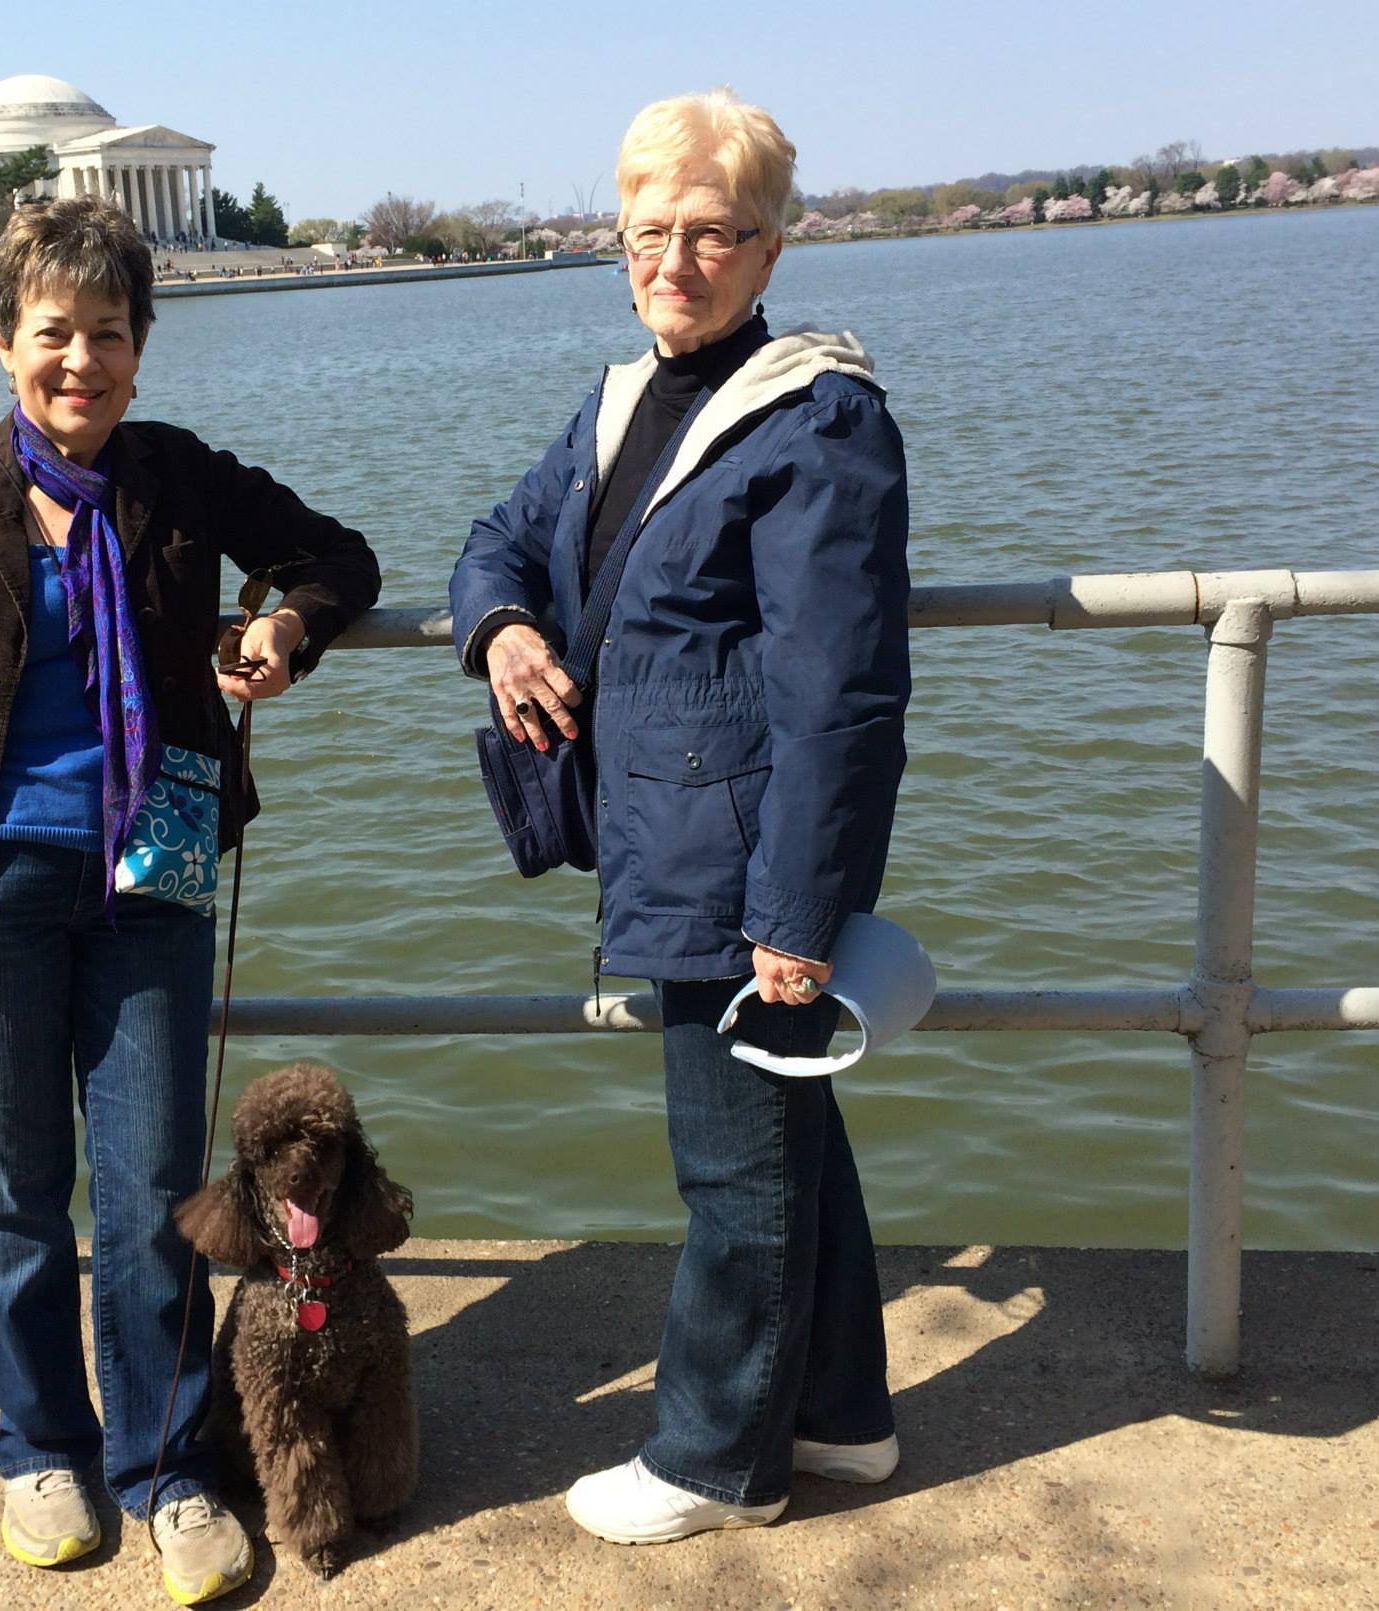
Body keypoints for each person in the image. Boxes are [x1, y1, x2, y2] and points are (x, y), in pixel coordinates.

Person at [0, 196, 380, 1604]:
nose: (82, 361)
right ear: (2, 339)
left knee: (149, 1193)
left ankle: (168, 1465)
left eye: (110, 334)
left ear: (143, 347)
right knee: (8, 1194)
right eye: (52, 332)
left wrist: (283, 625)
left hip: (153, 881)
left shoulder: (176, 480)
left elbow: (337, 555)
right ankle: (40, 1450)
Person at [449, 88, 911, 1544]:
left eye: (712, 233)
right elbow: (500, 539)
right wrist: (506, 629)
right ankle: (840, 1419)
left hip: (736, 855)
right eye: (651, 231)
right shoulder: (623, 399)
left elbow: (842, 695)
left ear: (771, 250)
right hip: (667, 829)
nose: (676, 259)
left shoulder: (817, 421)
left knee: (735, 1167)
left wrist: (793, 912)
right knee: (790, 1142)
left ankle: (721, 1461)